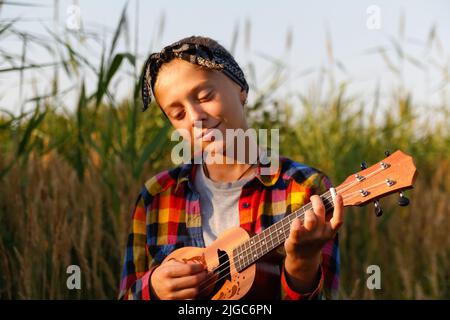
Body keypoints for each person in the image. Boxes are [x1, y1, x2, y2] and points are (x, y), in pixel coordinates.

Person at [118, 35, 343, 300]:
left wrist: (302, 265)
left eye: (204, 96)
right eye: (178, 114)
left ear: (241, 89)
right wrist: (153, 287)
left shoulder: (305, 189)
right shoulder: (156, 196)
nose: (195, 117)